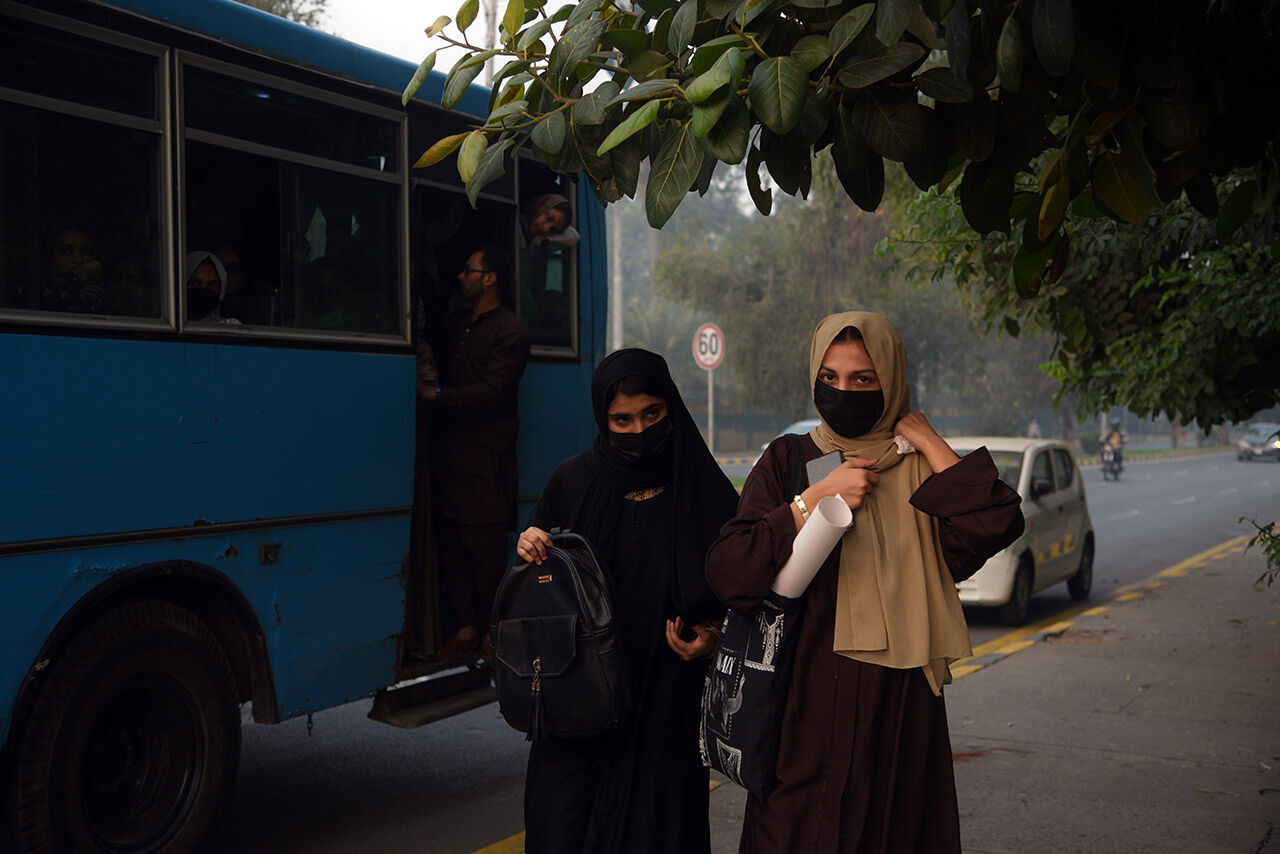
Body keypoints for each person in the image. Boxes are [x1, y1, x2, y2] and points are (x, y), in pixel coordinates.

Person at [706, 311, 1025, 853]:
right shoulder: (788, 459)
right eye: (829, 377)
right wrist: (811, 501)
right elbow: (729, 572)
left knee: (892, 829)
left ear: (891, 382)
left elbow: (995, 523)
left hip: (898, 702)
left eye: (862, 379)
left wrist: (929, 441)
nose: (842, 391)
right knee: (795, 832)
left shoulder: (921, 471)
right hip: (802, 698)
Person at [514, 348, 741, 853]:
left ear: (671, 408)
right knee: (560, 830)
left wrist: (713, 639)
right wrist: (529, 551)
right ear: (603, 418)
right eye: (623, 419)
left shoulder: (707, 494)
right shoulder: (571, 483)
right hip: (575, 706)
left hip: (666, 704)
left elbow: (742, 595)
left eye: (651, 415)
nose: (638, 430)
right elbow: (534, 595)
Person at [423, 247, 530, 659]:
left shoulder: (509, 332)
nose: (460, 277)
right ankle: (466, 628)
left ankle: (490, 632)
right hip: (451, 451)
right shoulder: (458, 324)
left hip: (486, 456)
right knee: (451, 542)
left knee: (482, 548)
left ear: (490, 279)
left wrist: (437, 395)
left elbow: (492, 392)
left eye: (469, 270)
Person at [39, 221, 112, 314]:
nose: (78, 259)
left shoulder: (109, 293)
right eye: (66, 251)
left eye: (87, 252)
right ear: (49, 256)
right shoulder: (39, 292)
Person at [184, 250, 240, 325]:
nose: (203, 290)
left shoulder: (229, 328)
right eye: (194, 283)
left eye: (213, 285)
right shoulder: (166, 326)